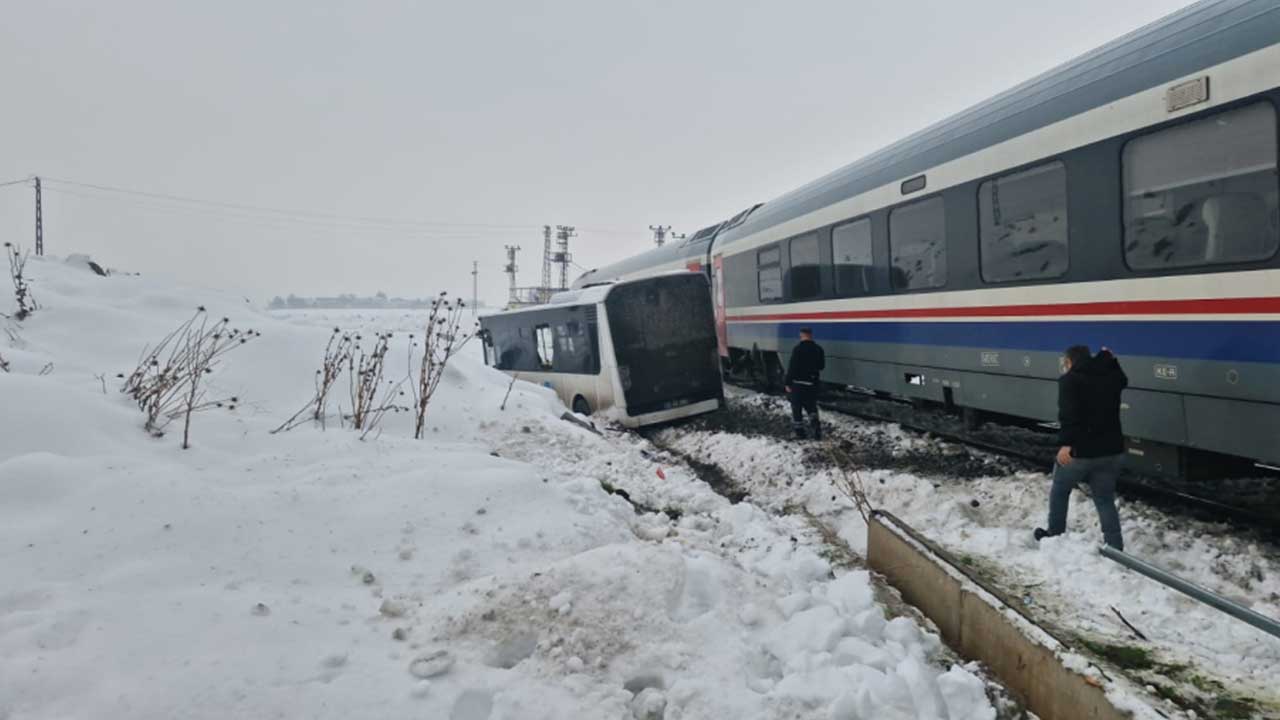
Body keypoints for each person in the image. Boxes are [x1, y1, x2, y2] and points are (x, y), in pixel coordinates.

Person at [1035, 345, 1128, 550]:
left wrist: (1066, 445)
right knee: (1104, 499)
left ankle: (1055, 536)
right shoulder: (1110, 378)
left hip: (1081, 452)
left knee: (1060, 490)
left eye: (1064, 363)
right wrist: (1111, 360)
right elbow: (1123, 380)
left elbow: (1068, 415)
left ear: (1069, 362)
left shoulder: (1069, 380)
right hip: (1112, 452)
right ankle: (1114, 546)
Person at [784, 327, 825, 440]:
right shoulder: (818, 349)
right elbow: (821, 366)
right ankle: (816, 430)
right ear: (811, 335)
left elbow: (792, 367)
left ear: (801, 335)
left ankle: (800, 433)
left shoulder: (797, 349)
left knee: (796, 408)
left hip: (798, 384)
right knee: (811, 407)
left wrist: (787, 383)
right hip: (812, 383)